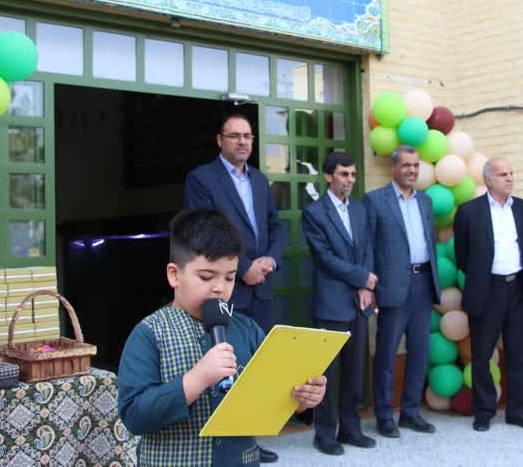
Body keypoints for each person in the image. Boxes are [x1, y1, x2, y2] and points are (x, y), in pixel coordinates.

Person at [117, 208, 326, 466]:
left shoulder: (247, 329)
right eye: (206, 276)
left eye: (230, 277)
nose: (220, 287)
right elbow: (134, 416)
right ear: (174, 275)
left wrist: (302, 400)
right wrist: (196, 379)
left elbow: (270, 397)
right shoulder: (149, 333)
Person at [185, 114, 287, 462]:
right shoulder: (202, 179)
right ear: (220, 140)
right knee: (225, 364)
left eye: (247, 136)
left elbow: (276, 226)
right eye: (234, 136)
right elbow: (202, 231)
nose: (242, 141)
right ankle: (220, 442)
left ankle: (249, 440)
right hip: (226, 289)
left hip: (261, 288)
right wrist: (243, 269)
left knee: (256, 365)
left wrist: (271, 260)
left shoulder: (259, 180)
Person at [453, 158, 523, 432]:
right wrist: (482, 277)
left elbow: (522, 245)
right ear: (488, 180)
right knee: (481, 354)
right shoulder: (469, 212)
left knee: (519, 353)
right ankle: (484, 411)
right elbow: (462, 256)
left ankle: (518, 412)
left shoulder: (522, 208)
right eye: (503, 174)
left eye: (511, 173)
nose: (510, 178)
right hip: (487, 290)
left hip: (517, 289)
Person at [301, 152, 377, 456]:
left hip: (359, 302)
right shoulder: (314, 213)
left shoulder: (360, 210)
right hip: (331, 303)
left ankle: (350, 428)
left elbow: (367, 248)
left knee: (354, 370)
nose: (350, 180)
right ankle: (324, 433)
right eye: (344, 174)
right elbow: (325, 258)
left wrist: (366, 286)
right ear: (329, 176)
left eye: (353, 174)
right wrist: (362, 278)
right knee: (327, 374)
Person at [365, 146, 441, 438]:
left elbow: (430, 243)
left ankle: (410, 412)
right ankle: (384, 415)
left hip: (423, 283)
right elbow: (369, 246)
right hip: (392, 286)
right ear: (394, 168)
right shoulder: (375, 200)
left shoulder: (425, 201)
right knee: (386, 354)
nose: (412, 170)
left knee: (420, 352)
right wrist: (370, 286)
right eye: (406, 165)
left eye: (416, 165)